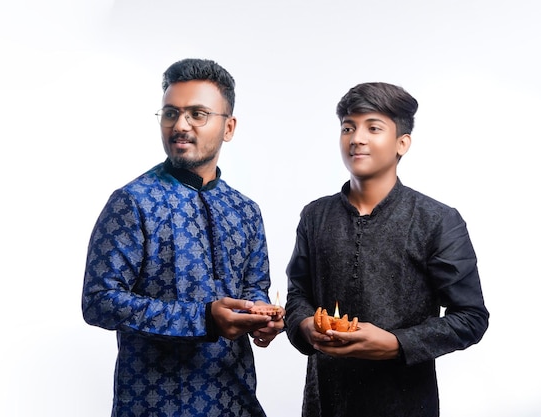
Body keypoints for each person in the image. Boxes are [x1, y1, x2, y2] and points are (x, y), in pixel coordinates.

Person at [82, 58, 285, 417]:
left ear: (229, 127)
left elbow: (255, 287)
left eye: (197, 114)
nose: (180, 125)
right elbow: (99, 301)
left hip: (236, 402)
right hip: (156, 405)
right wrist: (203, 318)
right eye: (170, 113)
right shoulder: (134, 202)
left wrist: (262, 317)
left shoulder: (245, 210)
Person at [284, 82, 489, 417]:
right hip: (325, 403)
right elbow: (298, 296)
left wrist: (396, 344)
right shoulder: (315, 215)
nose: (357, 138)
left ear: (402, 143)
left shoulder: (437, 220)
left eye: (373, 127)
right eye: (348, 127)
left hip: (405, 403)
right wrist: (305, 326)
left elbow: (470, 318)